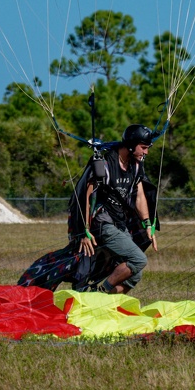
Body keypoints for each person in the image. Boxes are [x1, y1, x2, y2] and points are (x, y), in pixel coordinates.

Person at [73, 124, 159, 294]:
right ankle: (99, 294)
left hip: (120, 223)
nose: (146, 152)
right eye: (143, 148)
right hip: (102, 223)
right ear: (131, 144)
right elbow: (85, 196)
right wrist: (84, 230)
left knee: (134, 276)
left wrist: (148, 223)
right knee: (138, 259)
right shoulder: (105, 164)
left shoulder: (136, 165)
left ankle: (103, 304)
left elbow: (140, 196)